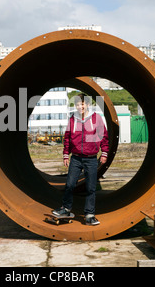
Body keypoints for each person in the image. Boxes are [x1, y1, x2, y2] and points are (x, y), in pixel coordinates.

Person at [52, 93, 109, 226]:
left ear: (88, 105)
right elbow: (67, 137)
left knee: (90, 188)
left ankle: (89, 215)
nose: (79, 107)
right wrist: (66, 154)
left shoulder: (96, 118)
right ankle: (66, 209)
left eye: (82, 104)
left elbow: (103, 136)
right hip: (76, 158)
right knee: (70, 185)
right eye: (77, 104)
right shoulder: (72, 119)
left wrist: (104, 153)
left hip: (91, 159)